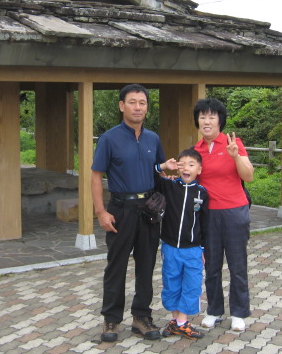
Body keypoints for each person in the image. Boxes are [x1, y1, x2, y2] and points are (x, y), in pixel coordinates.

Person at [91, 84, 166, 342]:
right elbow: (96, 175)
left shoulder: (153, 139)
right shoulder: (109, 138)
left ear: (147, 108)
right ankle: (111, 319)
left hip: (148, 211)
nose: (138, 107)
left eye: (142, 103)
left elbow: (159, 171)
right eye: (132, 102)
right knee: (117, 266)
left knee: (146, 264)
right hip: (120, 210)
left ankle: (141, 317)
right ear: (122, 106)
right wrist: (101, 212)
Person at [193, 98, 254, 332]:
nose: (206, 121)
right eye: (202, 117)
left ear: (220, 120)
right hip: (209, 215)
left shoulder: (233, 143)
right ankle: (214, 310)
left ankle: (239, 312)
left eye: (212, 116)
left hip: (234, 212)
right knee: (212, 265)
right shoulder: (196, 150)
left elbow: (248, 176)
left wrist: (235, 156)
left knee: (237, 265)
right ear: (197, 121)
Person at [154, 148, 207, 340]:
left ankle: (182, 322)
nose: (186, 168)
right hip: (170, 248)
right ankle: (176, 321)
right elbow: (148, 174)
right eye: (182, 164)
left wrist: (204, 248)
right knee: (171, 284)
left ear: (199, 170)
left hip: (193, 250)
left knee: (192, 285)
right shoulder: (169, 186)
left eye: (191, 165)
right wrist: (162, 166)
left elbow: (205, 223)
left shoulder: (202, 193)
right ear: (177, 168)